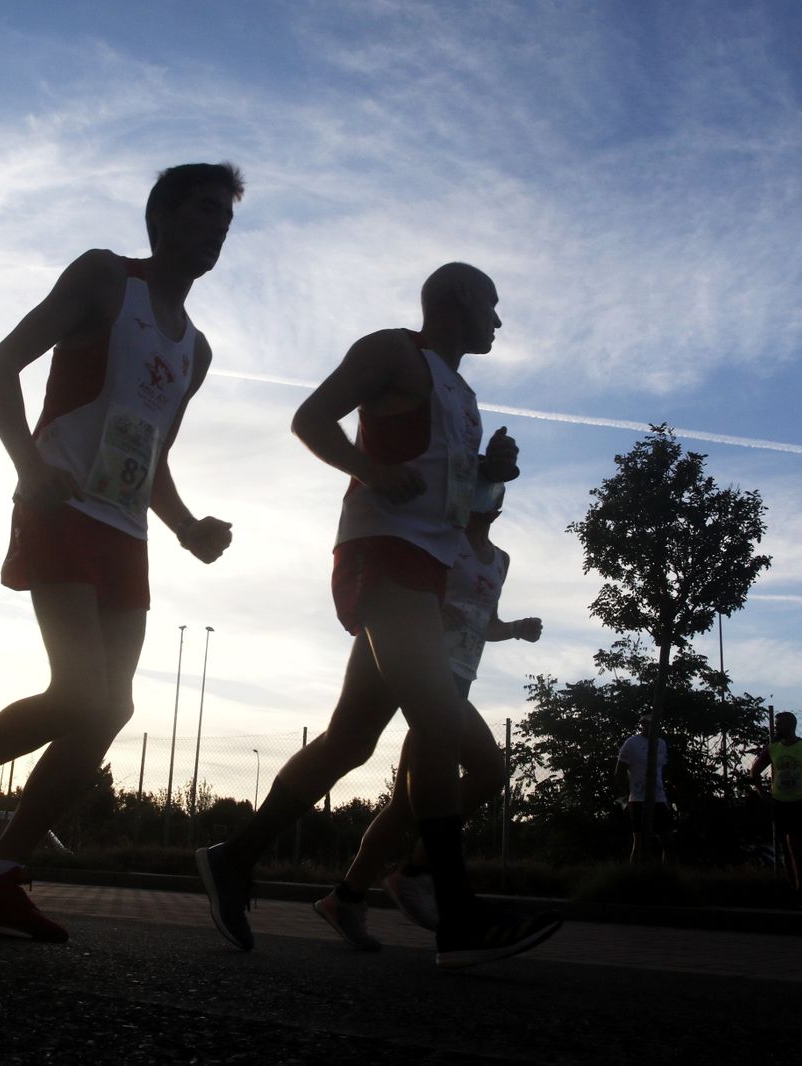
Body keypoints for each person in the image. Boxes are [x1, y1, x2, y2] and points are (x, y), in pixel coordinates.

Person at [0, 162, 244, 943]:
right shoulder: (106, 279)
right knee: (80, 691)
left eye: (228, 217)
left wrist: (186, 526)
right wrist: (28, 465)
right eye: (206, 210)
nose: (220, 226)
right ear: (164, 216)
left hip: (127, 531)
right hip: (60, 506)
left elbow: (152, 459)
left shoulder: (197, 351)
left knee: (111, 706)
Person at [198, 262, 562, 969]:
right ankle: (456, 916)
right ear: (457, 300)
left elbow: (445, 492)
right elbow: (311, 418)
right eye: (491, 305)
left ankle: (235, 858)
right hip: (381, 554)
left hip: (425, 570)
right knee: (437, 722)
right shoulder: (393, 351)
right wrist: (369, 470)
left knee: (350, 741)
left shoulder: (463, 393)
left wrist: (489, 473)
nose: (498, 320)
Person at [314, 477, 543, 950]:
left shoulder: (500, 562)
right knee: (488, 769)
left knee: (406, 804)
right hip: (421, 669)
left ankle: (347, 896)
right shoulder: (444, 543)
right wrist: (430, 613)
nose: (485, 506)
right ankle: (417, 869)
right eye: (480, 494)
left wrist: (516, 628)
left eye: (492, 499)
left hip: (457, 677)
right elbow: (411, 593)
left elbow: (486, 622)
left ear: (499, 509)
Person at [750, 711, 802, 895]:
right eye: (776, 723)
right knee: (787, 848)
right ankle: (794, 889)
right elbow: (755, 771)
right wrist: (763, 794)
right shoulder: (773, 749)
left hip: (801, 804)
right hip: (780, 803)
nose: (776, 727)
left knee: (794, 844)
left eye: (780, 723)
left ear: (791, 725)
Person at [615, 712, 674, 864]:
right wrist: (626, 797)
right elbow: (619, 772)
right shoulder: (631, 743)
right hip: (638, 798)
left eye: (651, 724)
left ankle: (668, 877)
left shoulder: (661, 743)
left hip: (659, 798)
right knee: (639, 843)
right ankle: (634, 877)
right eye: (645, 723)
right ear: (642, 725)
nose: (648, 727)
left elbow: (662, 769)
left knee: (668, 841)